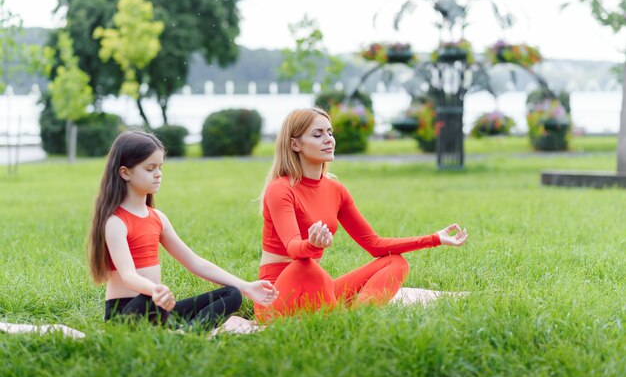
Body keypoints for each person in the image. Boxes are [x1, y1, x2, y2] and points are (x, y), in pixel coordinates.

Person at [254, 108, 468, 321]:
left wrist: (436, 238)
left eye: (330, 133)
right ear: (295, 144)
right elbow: (293, 248)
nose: (328, 139)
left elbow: (374, 244)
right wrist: (312, 244)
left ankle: (357, 317)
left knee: (396, 263)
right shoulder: (280, 189)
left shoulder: (335, 190)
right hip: (275, 300)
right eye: (318, 135)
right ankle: (337, 317)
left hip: (316, 292)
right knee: (306, 264)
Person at [88, 130, 278, 332]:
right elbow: (128, 276)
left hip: (157, 307)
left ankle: (186, 332)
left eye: (160, 167)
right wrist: (154, 290)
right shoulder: (116, 222)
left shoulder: (157, 218)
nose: (158, 174)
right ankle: (181, 330)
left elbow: (195, 262)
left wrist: (245, 286)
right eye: (150, 168)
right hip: (127, 313)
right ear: (125, 172)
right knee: (150, 300)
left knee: (232, 294)